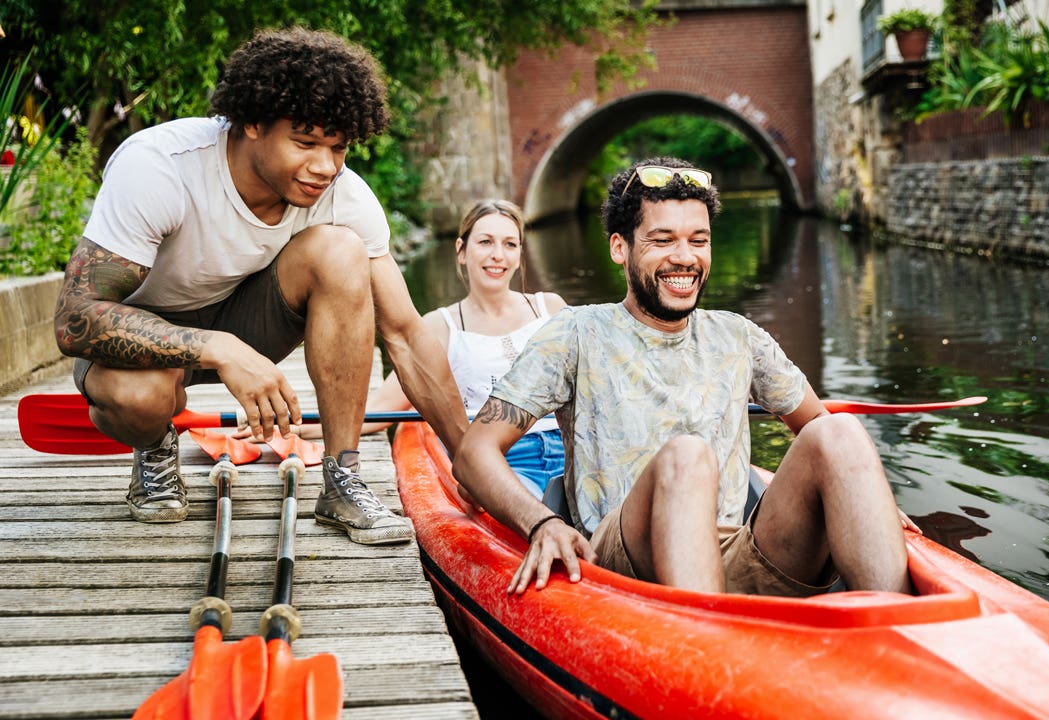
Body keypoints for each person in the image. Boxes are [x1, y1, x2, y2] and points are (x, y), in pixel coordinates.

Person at [52, 28, 467, 545]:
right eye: (305, 142)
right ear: (252, 122)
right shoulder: (160, 167)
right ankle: (156, 447)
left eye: (337, 147)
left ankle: (342, 479)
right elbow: (75, 319)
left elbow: (405, 333)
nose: (325, 167)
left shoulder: (343, 194)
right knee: (142, 397)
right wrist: (216, 347)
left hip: (247, 318)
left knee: (341, 251)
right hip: (143, 338)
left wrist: (468, 460)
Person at [453, 157, 915, 597]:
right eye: (662, 240)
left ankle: (901, 633)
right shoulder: (576, 332)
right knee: (688, 456)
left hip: (736, 553)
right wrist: (542, 522)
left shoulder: (738, 335)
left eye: (699, 239)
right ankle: (706, 647)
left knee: (839, 432)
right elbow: (474, 453)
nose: (685, 257)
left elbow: (815, 427)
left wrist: (859, 489)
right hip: (623, 560)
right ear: (620, 247)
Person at [283, 199, 568, 497]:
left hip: (568, 450)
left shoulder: (551, 308)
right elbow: (381, 410)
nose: (498, 255)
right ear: (461, 250)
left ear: (520, 254)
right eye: (485, 242)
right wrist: (297, 427)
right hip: (503, 459)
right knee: (541, 521)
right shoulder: (439, 326)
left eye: (510, 244)